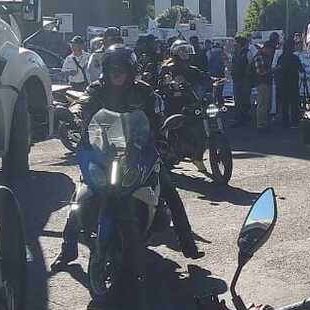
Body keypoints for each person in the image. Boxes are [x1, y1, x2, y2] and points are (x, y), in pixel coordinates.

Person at [53, 45, 201, 266]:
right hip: (104, 150)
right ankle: (68, 248)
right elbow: (82, 106)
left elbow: (158, 119)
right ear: (106, 69)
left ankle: (187, 242)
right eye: (112, 67)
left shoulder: (145, 92)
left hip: (138, 150)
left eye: (121, 67)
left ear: (130, 69)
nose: (117, 72)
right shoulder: (97, 89)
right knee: (80, 195)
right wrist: (75, 119)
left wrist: (161, 139)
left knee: (169, 191)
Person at [272, 38, 302, 128]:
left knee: (284, 104)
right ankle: (295, 121)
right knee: (294, 104)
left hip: (282, 84)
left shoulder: (281, 57)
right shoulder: (295, 58)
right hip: (292, 83)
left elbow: (278, 69)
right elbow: (301, 69)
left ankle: (285, 122)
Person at [254, 35, 278, 131]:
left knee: (267, 104)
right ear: (266, 48)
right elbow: (261, 72)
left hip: (266, 82)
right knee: (262, 104)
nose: (271, 52)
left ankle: (265, 123)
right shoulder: (259, 56)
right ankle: (261, 124)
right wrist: (273, 70)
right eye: (270, 50)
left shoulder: (265, 56)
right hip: (262, 82)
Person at [231, 35, 252, 126]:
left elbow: (251, 64)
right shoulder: (235, 53)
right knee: (237, 99)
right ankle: (239, 118)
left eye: (236, 42)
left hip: (244, 79)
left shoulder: (247, 52)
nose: (234, 44)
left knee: (244, 99)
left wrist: (248, 74)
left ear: (240, 43)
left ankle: (244, 117)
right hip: (236, 78)